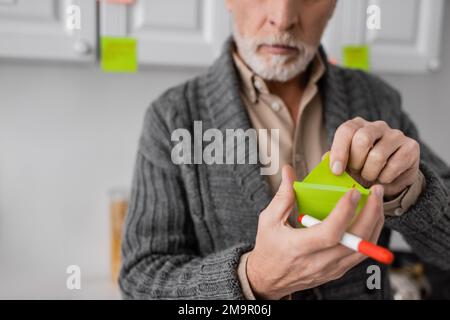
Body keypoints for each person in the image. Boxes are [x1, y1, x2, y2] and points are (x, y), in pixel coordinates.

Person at [119, 0, 450, 299]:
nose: (283, 18)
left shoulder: (377, 100)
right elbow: (140, 281)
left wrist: (412, 193)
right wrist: (253, 277)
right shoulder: (173, 118)